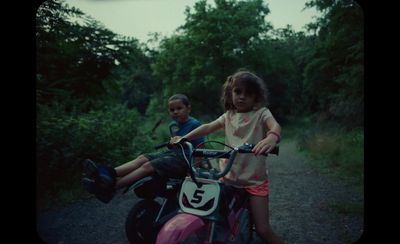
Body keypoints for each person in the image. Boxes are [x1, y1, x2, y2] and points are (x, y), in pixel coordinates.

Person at [171, 70, 284, 244]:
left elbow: (274, 126)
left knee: (263, 230)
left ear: (256, 96)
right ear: (230, 94)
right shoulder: (228, 116)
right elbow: (208, 127)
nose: (242, 96)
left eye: (248, 93)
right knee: (216, 218)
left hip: (254, 182)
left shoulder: (262, 113)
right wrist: (185, 138)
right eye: (238, 91)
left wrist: (271, 137)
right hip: (228, 177)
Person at [81, 94, 205, 204]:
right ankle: (105, 174)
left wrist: (193, 170)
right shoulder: (173, 125)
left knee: (148, 166)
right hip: (172, 155)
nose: (175, 112)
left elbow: (200, 149)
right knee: (142, 158)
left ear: (188, 108)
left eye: (179, 108)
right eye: (172, 109)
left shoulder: (195, 125)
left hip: (185, 160)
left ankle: (111, 187)